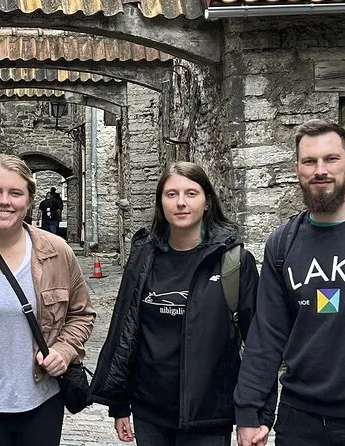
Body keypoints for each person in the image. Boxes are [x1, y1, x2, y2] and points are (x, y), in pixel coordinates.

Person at [89, 161, 272, 446]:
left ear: (207, 202)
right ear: (161, 203)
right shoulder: (144, 258)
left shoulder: (233, 262)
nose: (181, 203)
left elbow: (259, 342)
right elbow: (126, 331)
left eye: (191, 193)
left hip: (208, 415)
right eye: (171, 194)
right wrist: (119, 403)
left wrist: (254, 413)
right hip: (150, 412)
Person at [235, 119, 345, 446]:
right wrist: (249, 411)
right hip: (300, 420)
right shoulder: (282, 243)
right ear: (297, 169)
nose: (320, 170)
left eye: (331, 159)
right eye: (309, 161)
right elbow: (267, 335)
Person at [0, 154, 95, 446]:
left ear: (29, 200)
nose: (4, 201)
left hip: (42, 400)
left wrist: (64, 350)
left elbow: (81, 314)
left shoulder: (57, 252)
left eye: (15, 193)